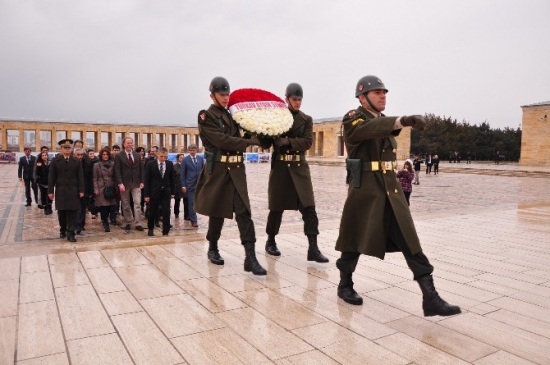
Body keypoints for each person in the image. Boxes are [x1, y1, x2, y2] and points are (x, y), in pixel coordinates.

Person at [335, 75, 461, 317]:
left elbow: (383, 129)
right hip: (367, 191)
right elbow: (364, 132)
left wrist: (399, 123)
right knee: (354, 240)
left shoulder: (384, 122)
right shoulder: (354, 118)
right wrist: (402, 120)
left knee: (410, 240)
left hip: (391, 190)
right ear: (362, 98)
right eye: (377, 92)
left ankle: (430, 297)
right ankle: (345, 284)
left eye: (384, 92)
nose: (383, 96)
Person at [195, 76, 266, 275]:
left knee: (244, 212)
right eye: (222, 95)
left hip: (236, 171)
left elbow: (237, 136)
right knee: (217, 211)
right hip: (218, 171)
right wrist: (249, 142)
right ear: (212, 96)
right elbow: (222, 140)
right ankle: (213, 247)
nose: (226, 98)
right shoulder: (206, 116)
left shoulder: (231, 115)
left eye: (227, 94)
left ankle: (250, 257)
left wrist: (261, 134)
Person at [263, 83, 329, 262]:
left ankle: (313, 247)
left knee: (309, 208)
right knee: (276, 208)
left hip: (299, 168)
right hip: (281, 169)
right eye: (294, 99)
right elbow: (266, 142)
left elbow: (307, 142)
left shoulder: (306, 119)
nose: (298, 103)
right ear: (287, 99)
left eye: (300, 99)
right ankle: (270, 241)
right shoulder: (277, 118)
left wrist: (288, 142)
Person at [48, 139, 85, 243]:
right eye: (65, 148)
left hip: (73, 190)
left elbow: (80, 177)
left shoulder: (76, 161)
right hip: (61, 190)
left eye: (69, 148)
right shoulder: (55, 161)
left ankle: (71, 233)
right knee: (62, 213)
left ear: (71, 148)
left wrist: (81, 190)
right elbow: (51, 177)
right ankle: (62, 229)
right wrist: (50, 191)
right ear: (61, 149)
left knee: (73, 213)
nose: (67, 149)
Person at [114, 137, 144, 231]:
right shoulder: (119, 156)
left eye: (131, 143)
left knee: (137, 203)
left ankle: (138, 223)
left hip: (136, 183)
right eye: (127, 143)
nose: (129, 145)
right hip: (124, 183)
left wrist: (142, 181)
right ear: (124, 144)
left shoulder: (136, 155)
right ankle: (128, 222)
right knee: (125, 204)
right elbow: (117, 170)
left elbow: (141, 169)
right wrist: (120, 183)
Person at [143, 147, 176, 236]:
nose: (163, 159)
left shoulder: (169, 164)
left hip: (166, 191)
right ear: (157, 155)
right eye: (161, 156)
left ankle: (166, 229)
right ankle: (150, 228)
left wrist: (173, 192)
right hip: (154, 191)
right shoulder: (151, 164)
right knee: (152, 211)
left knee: (166, 211)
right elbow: (147, 180)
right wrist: (146, 194)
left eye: (165, 157)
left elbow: (172, 179)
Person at [93, 148, 117, 232]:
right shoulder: (97, 165)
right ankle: (105, 221)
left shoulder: (113, 164)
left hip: (111, 187)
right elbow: (95, 178)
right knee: (104, 207)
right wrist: (96, 188)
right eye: (103, 154)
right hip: (101, 188)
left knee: (111, 206)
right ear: (101, 155)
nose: (105, 156)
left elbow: (116, 176)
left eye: (107, 154)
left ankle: (110, 219)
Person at [181, 144, 204, 228]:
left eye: (193, 150)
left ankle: (193, 216)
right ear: (188, 151)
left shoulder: (200, 159)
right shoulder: (185, 160)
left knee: (198, 202)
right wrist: (183, 185)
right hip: (189, 185)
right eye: (190, 150)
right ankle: (193, 220)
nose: (192, 152)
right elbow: (182, 174)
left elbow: (203, 172)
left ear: (196, 150)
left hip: (199, 185)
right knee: (191, 203)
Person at [173, 153, 184, 219]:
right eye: (181, 158)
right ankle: (176, 213)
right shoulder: (175, 166)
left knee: (186, 200)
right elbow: (177, 173)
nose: (182, 159)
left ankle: (187, 215)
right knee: (177, 200)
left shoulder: (185, 165)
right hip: (177, 185)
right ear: (178, 159)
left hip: (184, 185)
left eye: (183, 158)